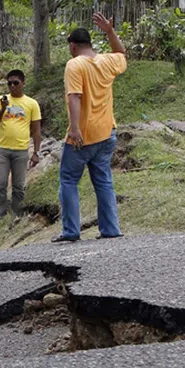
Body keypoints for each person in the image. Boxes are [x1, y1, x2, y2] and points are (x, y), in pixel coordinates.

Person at [53, 13, 127, 243]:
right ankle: (110, 228)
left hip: (84, 135)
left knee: (68, 179)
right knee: (103, 180)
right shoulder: (107, 61)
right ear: (90, 44)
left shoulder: (75, 65)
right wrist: (110, 32)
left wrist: (74, 129)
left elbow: (74, 96)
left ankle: (71, 231)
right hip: (107, 133)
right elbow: (122, 54)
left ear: (72, 46)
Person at [0, 69, 41, 218]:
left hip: (21, 150)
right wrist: (4, 108)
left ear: (23, 84)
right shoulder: (1, 100)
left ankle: (16, 214)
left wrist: (36, 152)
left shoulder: (32, 104)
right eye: (9, 83)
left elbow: (36, 131)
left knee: (18, 186)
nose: (12, 86)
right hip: (2, 149)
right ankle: (0, 214)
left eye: (16, 83)